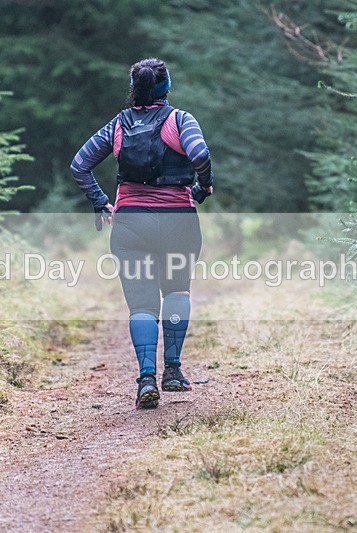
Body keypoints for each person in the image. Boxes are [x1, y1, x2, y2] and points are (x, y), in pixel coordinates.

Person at [70, 57, 213, 409]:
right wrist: (203, 186)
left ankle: (146, 379)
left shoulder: (117, 125)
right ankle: (174, 372)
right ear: (166, 87)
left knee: (142, 305)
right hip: (179, 221)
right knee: (177, 290)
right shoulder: (181, 120)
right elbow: (201, 155)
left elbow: (80, 165)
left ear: (134, 88)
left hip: (130, 223)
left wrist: (101, 202)